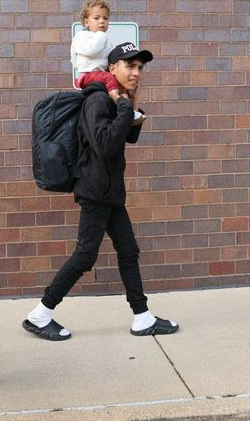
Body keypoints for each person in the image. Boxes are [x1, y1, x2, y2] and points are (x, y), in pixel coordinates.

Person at [23, 42, 179, 341]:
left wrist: (131, 105)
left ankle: (142, 317)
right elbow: (105, 143)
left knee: (128, 251)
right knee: (85, 256)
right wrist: (122, 105)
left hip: (108, 190)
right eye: (129, 66)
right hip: (96, 190)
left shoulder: (115, 99)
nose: (136, 73)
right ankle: (40, 314)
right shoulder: (97, 100)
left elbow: (127, 137)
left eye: (140, 68)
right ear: (112, 69)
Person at [71, 0, 145, 126]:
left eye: (105, 18)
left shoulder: (105, 41)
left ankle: (130, 111)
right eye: (96, 18)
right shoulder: (82, 37)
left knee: (115, 80)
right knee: (109, 77)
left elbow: (110, 58)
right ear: (86, 22)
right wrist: (101, 35)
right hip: (87, 75)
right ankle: (117, 99)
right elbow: (91, 49)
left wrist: (133, 99)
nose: (102, 21)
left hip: (99, 75)